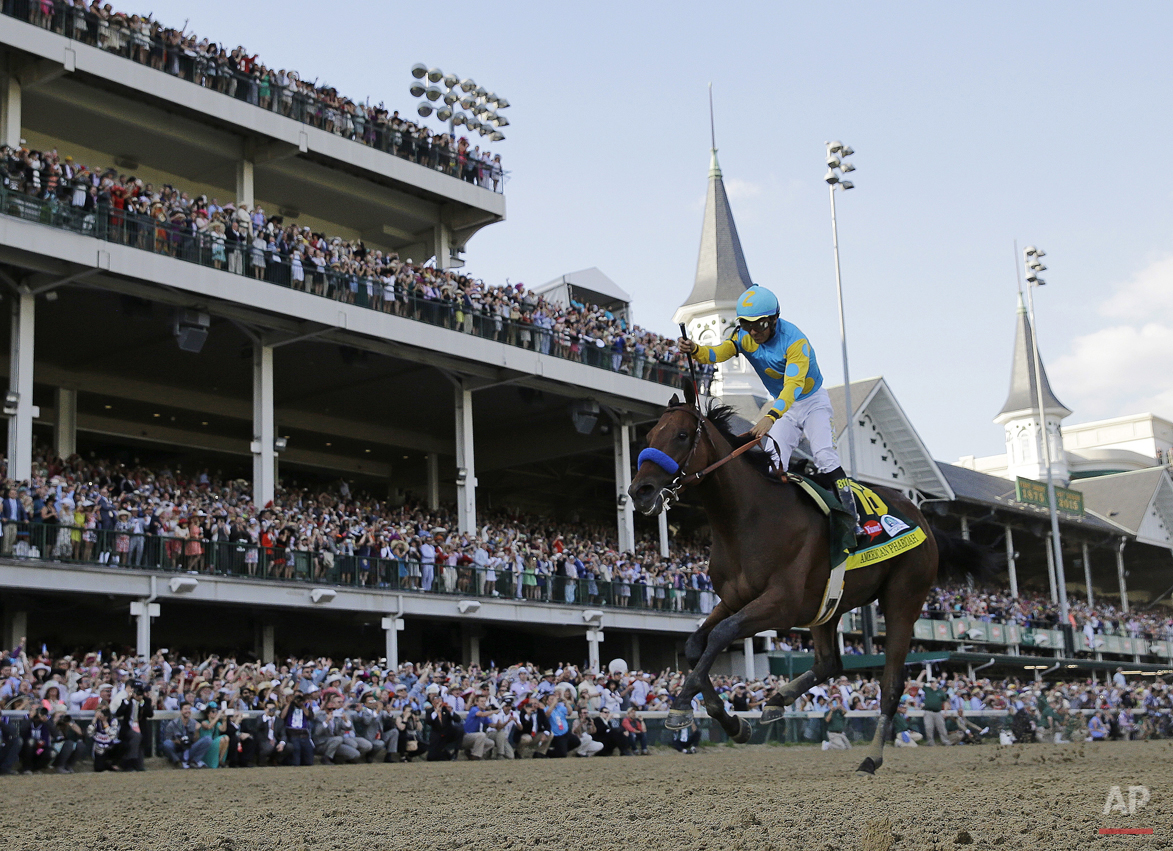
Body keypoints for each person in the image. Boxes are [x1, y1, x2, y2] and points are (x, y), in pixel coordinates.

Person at [678, 284, 862, 536]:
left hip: (810, 401)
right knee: (773, 463)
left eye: (761, 325)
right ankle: (775, 520)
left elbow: (793, 387)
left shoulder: (795, 342)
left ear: (774, 319)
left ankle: (853, 519)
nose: (754, 331)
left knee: (823, 455)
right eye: (746, 324)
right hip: (783, 405)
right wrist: (696, 350)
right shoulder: (743, 336)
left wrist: (770, 417)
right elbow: (719, 352)